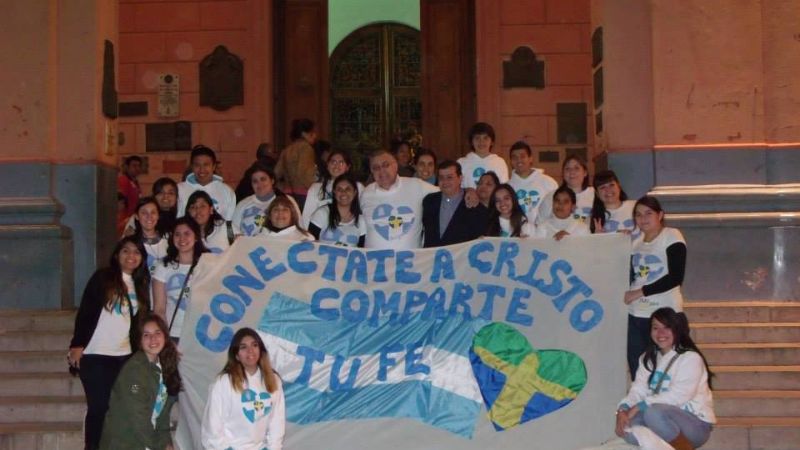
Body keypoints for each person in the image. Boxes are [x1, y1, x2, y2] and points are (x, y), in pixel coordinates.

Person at [69, 236, 150, 450]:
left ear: (142, 258)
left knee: (121, 408)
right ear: (116, 255)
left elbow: (138, 324)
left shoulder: (140, 284)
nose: (131, 256)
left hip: (125, 357)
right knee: (98, 408)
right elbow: (86, 311)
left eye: (136, 252)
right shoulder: (103, 278)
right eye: (126, 250)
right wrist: (77, 344)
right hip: (95, 354)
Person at [616, 307, 715, 450]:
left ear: (676, 330)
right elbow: (638, 390)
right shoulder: (647, 358)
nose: (661, 333)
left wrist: (639, 406)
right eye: (656, 328)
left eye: (667, 327)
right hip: (658, 420)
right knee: (627, 427)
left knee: (653, 413)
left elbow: (679, 396)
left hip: (694, 424)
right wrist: (623, 409)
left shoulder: (690, 358)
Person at [624, 196, 687, 378]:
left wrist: (640, 292)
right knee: (639, 370)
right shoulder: (635, 243)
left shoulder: (671, 235)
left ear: (660, 215)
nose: (643, 218)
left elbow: (675, 277)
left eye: (648, 213)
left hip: (665, 313)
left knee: (669, 370)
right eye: (638, 214)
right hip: (636, 315)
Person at [99, 314, 181, 450]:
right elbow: (138, 418)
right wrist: (160, 445)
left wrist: (166, 442)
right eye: (146, 335)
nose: (153, 339)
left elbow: (162, 416)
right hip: (126, 442)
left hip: (146, 440)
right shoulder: (134, 370)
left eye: (157, 333)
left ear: (165, 337)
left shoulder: (163, 366)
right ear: (140, 340)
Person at [201, 328, 285, 450]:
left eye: (254, 345)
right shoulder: (224, 382)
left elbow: (277, 422)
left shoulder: (273, 380)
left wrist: (273, 448)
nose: (250, 350)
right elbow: (212, 426)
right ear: (236, 355)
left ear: (261, 350)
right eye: (243, 347)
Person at [360, 149, 440, 249]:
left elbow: (448, 191)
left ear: (395, 166)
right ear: (372, 171)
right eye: (376, 168)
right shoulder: (366, 193)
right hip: (373, 258)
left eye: (386, 165)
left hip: (410, 258)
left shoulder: (416, 185)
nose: (381, 171)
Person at [152, 217, 209, 343]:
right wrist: (165, 338)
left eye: (187, 233)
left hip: (201, 335)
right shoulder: (163, 266)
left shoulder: (208, 264)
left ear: (196, 237)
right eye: (177, 234)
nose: (182, 238)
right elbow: (159, 308)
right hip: (173, 334)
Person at [422, 160, 489, 247]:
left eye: (449, 177)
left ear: (460, 178)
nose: (445, 182)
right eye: (441, 178)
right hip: (431, 254)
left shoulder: (475, 207)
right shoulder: (429, 201)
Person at [232, 163, 301, 237]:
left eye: (263, 179)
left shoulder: (287, 200)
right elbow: (233, 232)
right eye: (255, 181)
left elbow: (300, 228)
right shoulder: (243, 204)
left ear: (272, 180)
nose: (259, 184)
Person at [301, 149, 362, 228]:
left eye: (341, 162)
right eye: (333, 162)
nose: (336, 166)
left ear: (347, 167)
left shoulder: (358, 187)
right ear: (327, 165)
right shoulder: (316, 188)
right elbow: (307, 215)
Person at [177, 145, 236, 221]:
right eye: (197, 165)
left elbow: (229, 222)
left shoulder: (226, 191)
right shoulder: (179, 190)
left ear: (214, 166)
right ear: (192, 166)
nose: (202, 170)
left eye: (206, 165)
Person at [507, 140, 558, 226]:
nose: (519, 160)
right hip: (517, 232)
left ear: (530, 158)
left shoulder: (549, 182)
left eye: (522, 156)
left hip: (545, 231)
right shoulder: (507, 187)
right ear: (511, 161)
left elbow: (558, 209)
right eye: (514, 157)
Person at [309, 173, 366, 247]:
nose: (343, 192)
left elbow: (362, 250)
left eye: (348, 189)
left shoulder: (361, 221)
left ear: (355, 193)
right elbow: (309, 244)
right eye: (339, 189)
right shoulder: (321, 214)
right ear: (334, 192)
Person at [538, 155, 595, 224]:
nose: (572, 172)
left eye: (576, 168)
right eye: (567, 169)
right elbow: (539, 224)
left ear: (585, 172)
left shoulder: (595, 194)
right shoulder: (551, 196)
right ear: (563, 173)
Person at [275, 118, 317, 210]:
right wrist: (315, 190)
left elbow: (276, 173)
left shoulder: (287, 149)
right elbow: (304, 173)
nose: (315, 136)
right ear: (304, 133)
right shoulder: (306, 148)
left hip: (288, 193)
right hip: (304, 194)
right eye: (312, 133)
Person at [129, 198, 169, 285]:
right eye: (144, 213)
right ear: (136, 216)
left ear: (158, 215)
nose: (149, 216)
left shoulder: (170, 239)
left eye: (153, 212)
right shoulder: (131, 244)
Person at [457, 122, 509, 189]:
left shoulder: (499, 162)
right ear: (471, 142)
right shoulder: (461, 163)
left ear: (492, 142)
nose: (481, 142)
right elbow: (457, 188)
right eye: (477, 138)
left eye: (485, 138)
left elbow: (503, 188)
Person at [590, 170, 637, 234]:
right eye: (602, 187)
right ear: (597, 193)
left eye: (611, 185)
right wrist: (597, 237)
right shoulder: (593, 219)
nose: (608, 190)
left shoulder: (635, 206)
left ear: (619, 186)